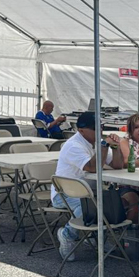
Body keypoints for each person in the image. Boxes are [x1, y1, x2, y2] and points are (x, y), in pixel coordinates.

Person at [51, 111, 123, 261]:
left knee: (110, 204)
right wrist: (105, 145)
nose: (100, 131)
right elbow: (92, 167)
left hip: (88, 192)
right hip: (64, 193)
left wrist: (116, 147)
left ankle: (95, 237)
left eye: (101, 126)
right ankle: (67, 235)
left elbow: (117, 164)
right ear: (81, 130)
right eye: (95, 128)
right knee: (92, 206)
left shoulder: (96, 143)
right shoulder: (73, 145)